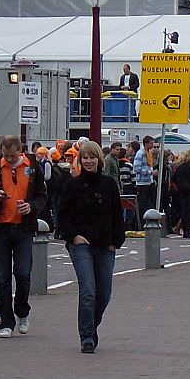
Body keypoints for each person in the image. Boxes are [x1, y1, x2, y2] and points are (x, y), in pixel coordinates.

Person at [58, 140, 126, 353]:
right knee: (88, 290)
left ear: (99, 159)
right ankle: (86, 336)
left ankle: (91, 325)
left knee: (103, 294)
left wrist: (116, 241)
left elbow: (117, 214)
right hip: (81, 244)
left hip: (105, 244)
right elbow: (61, 215)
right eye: (85, 158)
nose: (88, 161)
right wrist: (73, 236)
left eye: (92, 157)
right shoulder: (72, 185)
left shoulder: (108, 185)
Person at [0, 135, 47, 338]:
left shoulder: (33, 167)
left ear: (20, 150)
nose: (8, 159)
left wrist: (32, 207)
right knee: (1, 277)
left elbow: (42, 196)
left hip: (23, 228)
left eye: (12, 155)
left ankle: (22, 311)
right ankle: (6, 322)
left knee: (23, 273)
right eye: (5, 155)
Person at [132, 136, 157, 217]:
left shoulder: (148, 153)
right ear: (146, 143)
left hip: (149, 182)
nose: (152, 145)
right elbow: (136, 168)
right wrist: (150, 172)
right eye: (151, 143)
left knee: (149, 203)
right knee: (142, 204)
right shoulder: (140, 153)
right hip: (142, 182)